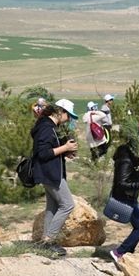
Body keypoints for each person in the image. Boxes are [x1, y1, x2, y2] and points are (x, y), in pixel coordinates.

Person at [31, 99, 80, 256]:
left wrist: (66, 152)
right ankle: (49, 240)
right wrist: (65, 147)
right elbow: (43, 153)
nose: (69, 119)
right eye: (68, 115)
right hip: (50, 173)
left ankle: (43, 242)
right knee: (67, 205)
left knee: (52, 207)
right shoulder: (46, 127)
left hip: (49, 172)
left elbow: (50, 150)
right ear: (60, 112)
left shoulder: (48, 126)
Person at [108, 119, 139, 265]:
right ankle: (119, 252)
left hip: (129, 196)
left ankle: (127, 253)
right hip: (124, 197)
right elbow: (121, 183)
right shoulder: (126, 159)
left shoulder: (133, 157)